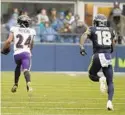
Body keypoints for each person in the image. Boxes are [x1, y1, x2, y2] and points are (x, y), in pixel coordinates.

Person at [79, 14, 116, 110]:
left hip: (97, 55)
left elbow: (84, 36)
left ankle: (100, 79)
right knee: (110, 81)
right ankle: (109, 102)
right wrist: (110, 50)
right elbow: (113, 43)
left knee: (91, 74)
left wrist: (82, 47)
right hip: (107, 56)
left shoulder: (92, 29)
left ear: (97, 22)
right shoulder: (111, 30)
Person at [1, 15, 36, 93]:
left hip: (16, 54)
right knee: (26, 70)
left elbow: (8, 41)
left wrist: (2, 49)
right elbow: (32, 44)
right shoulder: (32, 31)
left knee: (18, 66)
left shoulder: (14, 29)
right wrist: (29, 50)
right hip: (26, 53)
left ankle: (15, 84)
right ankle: (28, 83)